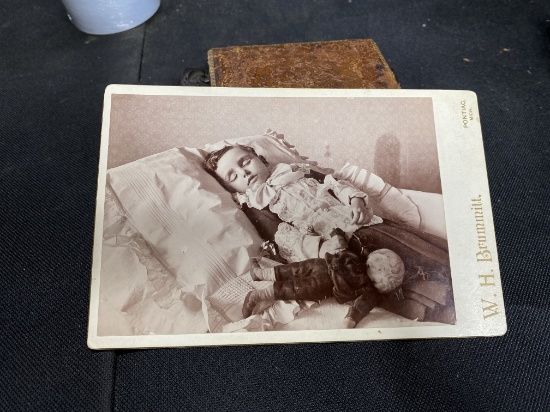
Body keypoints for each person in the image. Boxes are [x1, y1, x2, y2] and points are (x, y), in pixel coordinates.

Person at [204, 145, 456, 324]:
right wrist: (320, 248)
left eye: (244, 162)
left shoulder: (296, 171)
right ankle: (437, 306)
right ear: (232, 188)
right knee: (379, 280)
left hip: (366, 227)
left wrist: (356, 201)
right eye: (233, 176)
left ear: (260, 158)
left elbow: (334, 183)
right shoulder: (256, 204)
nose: (244, 173)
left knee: (416, 251)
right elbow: (283, 236)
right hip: (340, 249)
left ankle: (454, 277)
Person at [243, 246, 406, 328]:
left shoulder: (368, 290)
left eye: (379, 268)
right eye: (377, 262)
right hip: (323, 264)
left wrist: (350, 319)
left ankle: (258, 295)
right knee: (292, 269)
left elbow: (362, 306)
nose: (375, 266)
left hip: (325, 284)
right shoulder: (360, 257)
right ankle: (260, 274)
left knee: (295, 288)